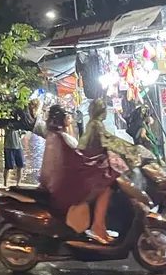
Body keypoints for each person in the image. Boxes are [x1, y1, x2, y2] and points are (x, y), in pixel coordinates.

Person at [40, 103, 119, 244]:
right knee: (105, 187)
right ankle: (98, 227)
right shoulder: (88, 128)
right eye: (67, 116)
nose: (70, 118)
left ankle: (100, 227)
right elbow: (79, 157)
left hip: (56, 181)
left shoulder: (54, 135)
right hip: (64, 184)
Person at [2, 101, 37, 187]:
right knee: (8, 166)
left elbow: (24, 132)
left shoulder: (21, 123)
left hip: (18, 146)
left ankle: (18, 183)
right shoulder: (8, 123)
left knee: (20, 165)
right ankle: (5, 184)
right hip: (9, 146)